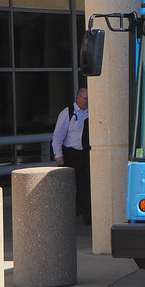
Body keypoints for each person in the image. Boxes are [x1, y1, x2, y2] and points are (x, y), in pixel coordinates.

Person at [52, 87, 90, 224]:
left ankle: (87, 216)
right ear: (78, 97)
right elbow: (58, 135)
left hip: (84, 154)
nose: (86, 102)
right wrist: (58, 155)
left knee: (85, 186)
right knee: (67, 187)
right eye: (85, 98)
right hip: (70, 154)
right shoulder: (67, 113)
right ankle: (67, 214)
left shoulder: (89, 113)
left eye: (88, 99)